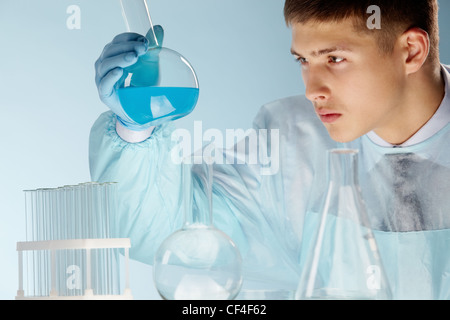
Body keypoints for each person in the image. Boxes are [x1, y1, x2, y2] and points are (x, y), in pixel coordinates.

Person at [91, 0, 450, 299]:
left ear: (410, 51)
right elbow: (173, 238)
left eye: (335, 59)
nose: (312, 90)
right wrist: (134, 130)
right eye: (303, 60)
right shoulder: (293, 136)